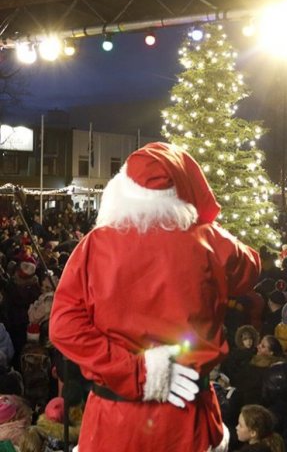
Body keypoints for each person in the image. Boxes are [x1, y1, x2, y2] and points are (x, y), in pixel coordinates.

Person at [49, 142, 261, 452]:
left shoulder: (95, 245)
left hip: (113, 425)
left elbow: (64, 327)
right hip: (188, 422)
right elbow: (250, 268)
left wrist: (135, 371)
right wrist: (202, 221)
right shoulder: (210, 241)